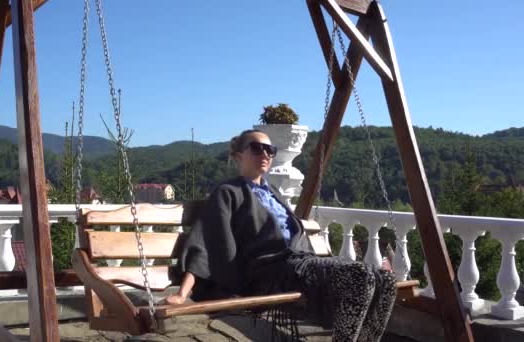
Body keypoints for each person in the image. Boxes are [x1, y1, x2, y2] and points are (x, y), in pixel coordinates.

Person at [165, 129, 396, 342]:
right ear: (238, 156)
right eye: (256, 148)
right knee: (359, 275)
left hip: (301, 263)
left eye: (270, 149)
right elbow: (206, 239)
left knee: (386, 281)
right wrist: (183, 293)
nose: (265, 153)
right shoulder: (228, 192)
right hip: (273, 271)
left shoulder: (272, 192)